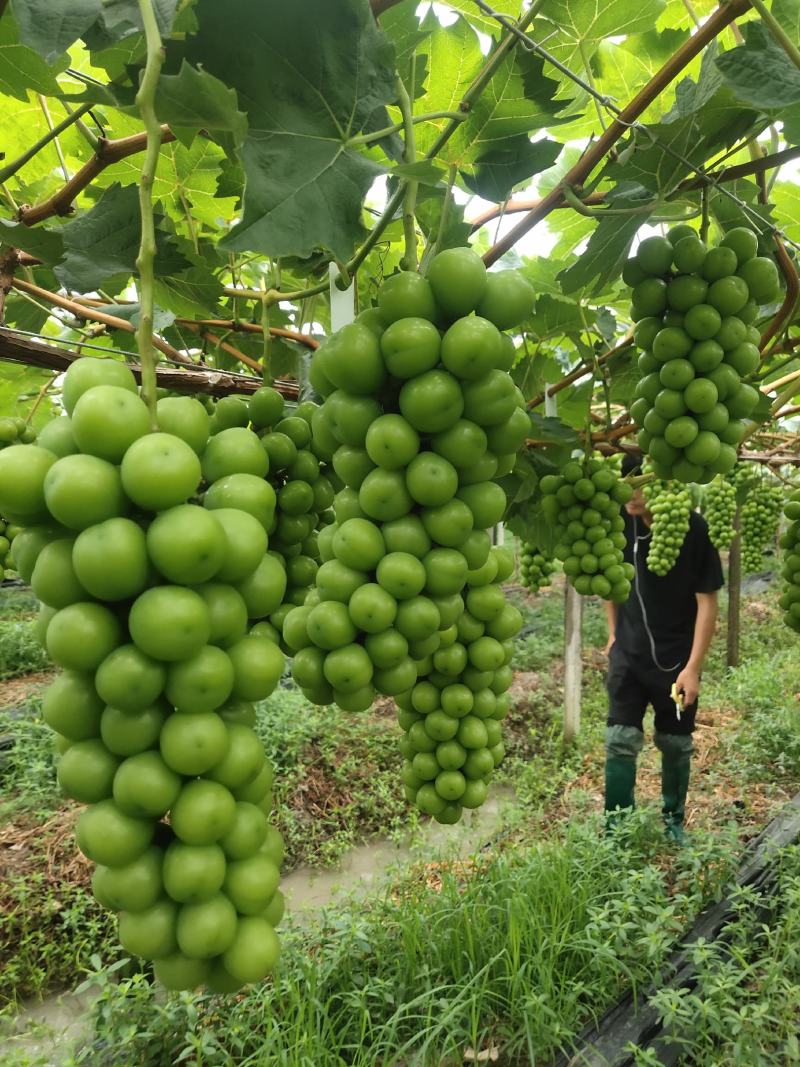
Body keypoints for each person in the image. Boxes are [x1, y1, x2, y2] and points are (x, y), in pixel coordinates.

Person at [603, 452, 723, 842]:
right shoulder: (620, 526)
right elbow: (610, 580)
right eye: (626, 486)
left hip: (676, 661)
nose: (631, 495)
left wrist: (693, 667)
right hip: (629, 655)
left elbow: (707, 603)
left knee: (675, 743)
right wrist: (613, 633)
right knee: (620, 740)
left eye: (641, 485)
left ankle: (673, 822)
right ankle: (616, 829)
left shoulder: (693, 529)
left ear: (662, 483)